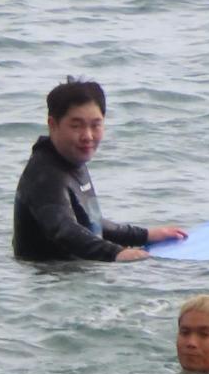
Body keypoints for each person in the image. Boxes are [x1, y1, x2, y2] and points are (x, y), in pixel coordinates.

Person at [12, 78, 187, 263]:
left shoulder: (70, 159)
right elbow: (64, 230)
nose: (87, 136)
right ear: (53, 124)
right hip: (50, 277)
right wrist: (115, 253)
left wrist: (144, 236)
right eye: (76, 126)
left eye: (95, 125)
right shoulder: (45, 174)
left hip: (75, 271)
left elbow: (90, 221)